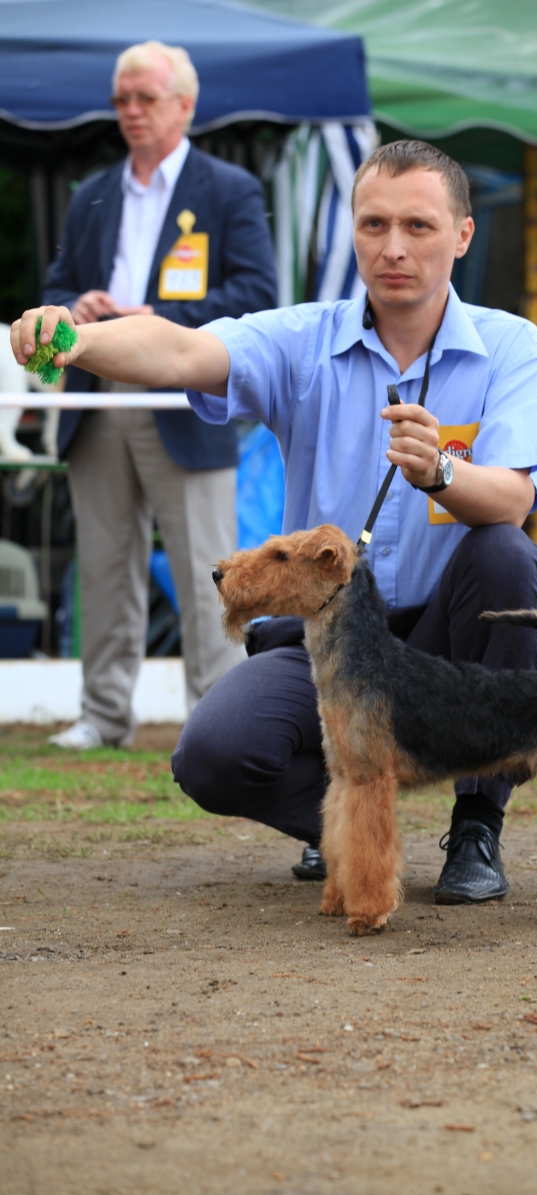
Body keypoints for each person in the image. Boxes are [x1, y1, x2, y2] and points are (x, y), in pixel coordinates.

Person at [12, 140, 537, 904]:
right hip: (330, 641)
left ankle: (476, 824)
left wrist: (443, 472)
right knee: (211, 756)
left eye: (419, 226)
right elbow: (177, 349)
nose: (393, 247)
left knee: (507, 559)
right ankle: (340, 825)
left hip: (446, 634)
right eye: (372, 225)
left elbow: (513, 500)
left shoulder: (512, 347)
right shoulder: (301, 339)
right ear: (352, 233)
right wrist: (74, 338)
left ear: (462, 236)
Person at [42, 40, 277, 749]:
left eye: (145, 98)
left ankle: (217, 718)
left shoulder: (229, 188)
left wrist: (157, 321)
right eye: (121, 100)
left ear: (185, 104)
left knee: (210, 567)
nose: (131, 112)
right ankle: (103, 715)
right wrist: (72, 307)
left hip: (184, 390)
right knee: (105, 563)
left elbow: (258, 296)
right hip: (99, 391)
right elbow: (53, 288)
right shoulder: (92, 193)